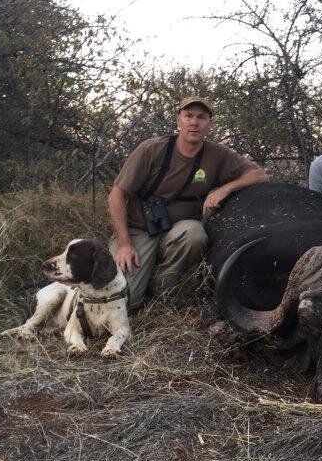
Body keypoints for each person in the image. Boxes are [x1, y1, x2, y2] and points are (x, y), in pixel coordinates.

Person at [108, 96, 268, 310]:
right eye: (189, 116)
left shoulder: (217, 154)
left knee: (195, 234)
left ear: (209, 124)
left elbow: (259, 175)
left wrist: (225, 188)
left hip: (178, 230)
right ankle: (140, 283)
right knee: (125, 302)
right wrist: (125, 245)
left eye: (201, 117)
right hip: (139, 230)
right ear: (179, 120)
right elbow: (117, 195)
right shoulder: (151, 149)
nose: (194, 122)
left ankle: (162, 291)